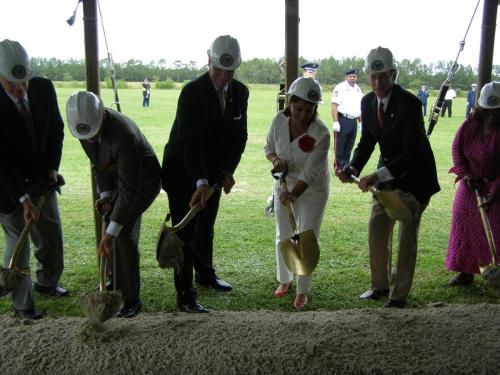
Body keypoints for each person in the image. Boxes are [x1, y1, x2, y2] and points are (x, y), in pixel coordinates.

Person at [337, 47, 440, 308]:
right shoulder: (368, 102)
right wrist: (352, 167)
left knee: (407, 235)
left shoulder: (410, 103)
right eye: (373, 77)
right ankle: (379, 286)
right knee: (377, 226)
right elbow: (367, 141)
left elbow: (411, 153)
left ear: (393, 74)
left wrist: (377, 174)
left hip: (415, 179)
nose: (378, 83)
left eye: (383, 76)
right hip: (387, 176)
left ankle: (398, 295)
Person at [161, 35, 248, 313]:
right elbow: (189, 140)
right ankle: (185, 294)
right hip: (182, 172)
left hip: (212, 174)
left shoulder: (241, 93)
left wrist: (227, 171)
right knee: (185, 232)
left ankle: (206, 274)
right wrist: (199, 181)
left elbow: (239, 136)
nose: (223, 77)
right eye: (218, 70)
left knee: (206, 227)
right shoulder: (191, 92)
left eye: (229, 71)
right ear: (208, 61)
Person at [66, 91, 161, 318]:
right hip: (119, 180)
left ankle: (130, 299)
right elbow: (97, 164)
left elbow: (129, 192)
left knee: (122, 232)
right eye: (85, 135)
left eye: (93, 133)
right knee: (111, 224)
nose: (88, 139)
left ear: (103, 117)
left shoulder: (124, 135)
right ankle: (114, 281)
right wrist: (106, 195)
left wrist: (110, 233)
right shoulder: (84, 127)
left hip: (142, 183)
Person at [0, 39, 68, 320]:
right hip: (7, 188)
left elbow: (56, 130)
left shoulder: (43, 88)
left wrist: (52, 168)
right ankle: (23, 305)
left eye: (24, 80)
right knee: (19, 242)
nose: (20, 88)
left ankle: (48, 282)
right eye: (12, 83)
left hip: (41, 178)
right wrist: (23, 198)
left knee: (50, 234)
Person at [264, 77, 330, 309]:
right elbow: (269, 148)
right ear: (290, 102)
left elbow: (311, 172)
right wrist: (276, 160)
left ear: (315, 108)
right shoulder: (278, 121)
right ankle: (285, 280)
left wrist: (294, 194)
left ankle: (303, 290)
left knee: (306, 237)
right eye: (298, 108)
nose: (302, 114)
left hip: (311, 191)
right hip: (283, 184)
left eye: (309, 110)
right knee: (284, 234)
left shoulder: (321, 133)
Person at [446, 81, 500, 286]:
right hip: (470, 184)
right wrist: (465, 174)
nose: (492, 115)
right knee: (463, 225)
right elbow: (456, 149)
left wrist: (495, 190)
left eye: (497, 111)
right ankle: (465, 273)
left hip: (495, 187)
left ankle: (494, 268)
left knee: (495, 229)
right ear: (481, 108)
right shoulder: (470, 125)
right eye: (488, 111)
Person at [331, 66, 363, 172]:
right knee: (340, 145)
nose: (352, 78)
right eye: (350, 76)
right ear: (346, 77)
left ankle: (346, 166)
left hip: (353, 121)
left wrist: (361, 123)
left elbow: (359, 108)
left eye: (354, 76)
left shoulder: (358, 89)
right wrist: (336, 122)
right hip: (343, 119)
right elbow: (334, 105)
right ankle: (338, 167)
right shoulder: (340, 88)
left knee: (349, 144)